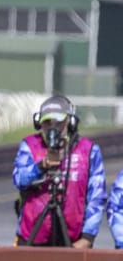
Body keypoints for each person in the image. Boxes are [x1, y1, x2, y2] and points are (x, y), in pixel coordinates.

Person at [12, 94, 106, 248]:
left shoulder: (89, 150)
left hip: (72, 240)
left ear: (70, 122)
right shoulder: (29, 145)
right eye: (47, 122)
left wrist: (88, 237)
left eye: (58, 122)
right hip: (33, 235)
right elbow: (18, 179)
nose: (52, 128)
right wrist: (41, 166)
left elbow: (97, 197)